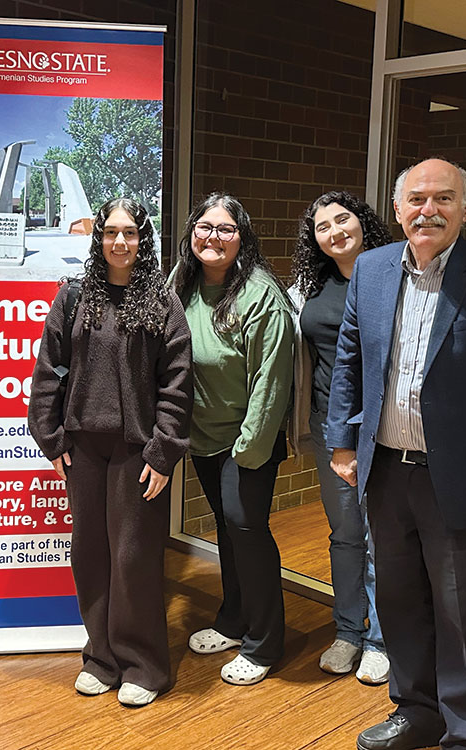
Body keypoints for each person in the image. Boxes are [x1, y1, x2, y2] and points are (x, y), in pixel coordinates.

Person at [327, 158, 466, 750]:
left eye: (444, 199)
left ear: (465, 210)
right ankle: (415, 709)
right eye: (417, 199)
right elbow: (350, 359)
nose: (429, 210)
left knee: (462, 610)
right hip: (386, 471)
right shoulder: (370, 270)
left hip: (465, 479)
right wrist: (342, 442)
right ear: (397, 210)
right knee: (398, 601)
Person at [28, 197, 192, 707]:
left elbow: (178, 383)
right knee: (90, 555)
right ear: (98, 238)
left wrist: (163, 453)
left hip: (137, 452)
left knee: (134, 558)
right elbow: (48, 371)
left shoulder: (162, 302)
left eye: (131, 233)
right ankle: (101, 657)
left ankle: (144, 664)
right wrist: (51, 439)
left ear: (144, 240)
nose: (120, 242)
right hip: (82, 449)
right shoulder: (74, 298)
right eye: (110, 232)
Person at [174, 193, 294, 686]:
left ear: (242, 238)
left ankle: (265, 643)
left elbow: (271, 381)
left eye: (226, 229)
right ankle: (234, 619)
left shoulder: (261, 294)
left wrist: (249, 449)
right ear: (192, 232)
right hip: (203, 436)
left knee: (247, 529)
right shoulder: (182, 283)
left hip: (247, 441)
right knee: (227, 529)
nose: (213, 237)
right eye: (205, 226)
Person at [289, 191, 392, 685]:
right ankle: (349, 631)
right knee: (346, 533)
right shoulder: (315, 286)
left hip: (385, 430)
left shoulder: (394, 277)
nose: (334, 231)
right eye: (322, 226)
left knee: (381, 538)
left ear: (362, 222)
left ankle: (382, 640)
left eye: (342, 219)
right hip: (331, 429)